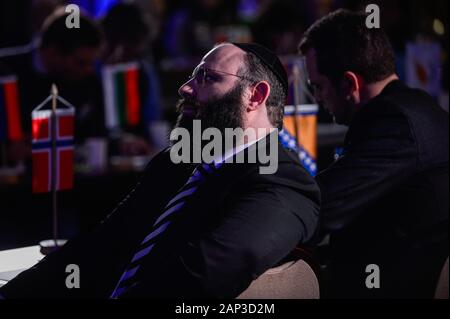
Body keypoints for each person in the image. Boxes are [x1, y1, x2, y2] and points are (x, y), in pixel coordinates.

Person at [0, 42, 320, 298]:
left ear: (256, 95)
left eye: (207, 77)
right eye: (192, 76)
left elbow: (200, 279)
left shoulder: (281, 183)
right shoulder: (175, 163)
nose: (185, 88)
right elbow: (99, 244)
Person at [299, 9, 449, 298]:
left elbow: (321, 206)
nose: (316, 98)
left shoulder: (393, 121)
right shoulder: (420, 106)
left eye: (317, 87)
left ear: (349, 84)